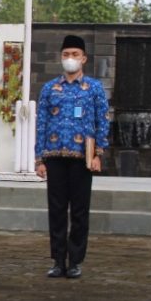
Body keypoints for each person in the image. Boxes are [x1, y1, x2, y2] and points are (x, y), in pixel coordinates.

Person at [35, 34, 110, 280]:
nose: (70, 59)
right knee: (56, 210)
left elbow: (103, 122)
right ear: (61, 58)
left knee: (79, 211)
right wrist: (39, 159)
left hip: (82, 158)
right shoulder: (49, 89)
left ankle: (75, 261)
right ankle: (58, 261)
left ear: (84, 58)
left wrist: (99, 153)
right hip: (55, 156)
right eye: (66, 54)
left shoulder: (94, 89)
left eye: (75, 54)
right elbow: (42, 124)